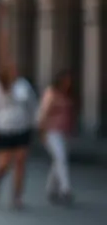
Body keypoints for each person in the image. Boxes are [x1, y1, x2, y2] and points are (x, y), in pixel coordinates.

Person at [0, 61, 37, 209]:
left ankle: (17, 196)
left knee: (20, 162)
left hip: (21, 128)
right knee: (4, 164)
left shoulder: (23, 86)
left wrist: (34, 123)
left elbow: (32, 105)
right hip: (3, 130)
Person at [37, 70, 77, 205]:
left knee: (58, 161)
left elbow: (70, 114)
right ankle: (65, 189)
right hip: (52, 132)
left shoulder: (68, 95)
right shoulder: (51, 93)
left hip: (65, 132)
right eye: (66, 80)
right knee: (60, 158)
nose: (68, 83)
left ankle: (50, 188)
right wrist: (42, 131)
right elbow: (43, 112)